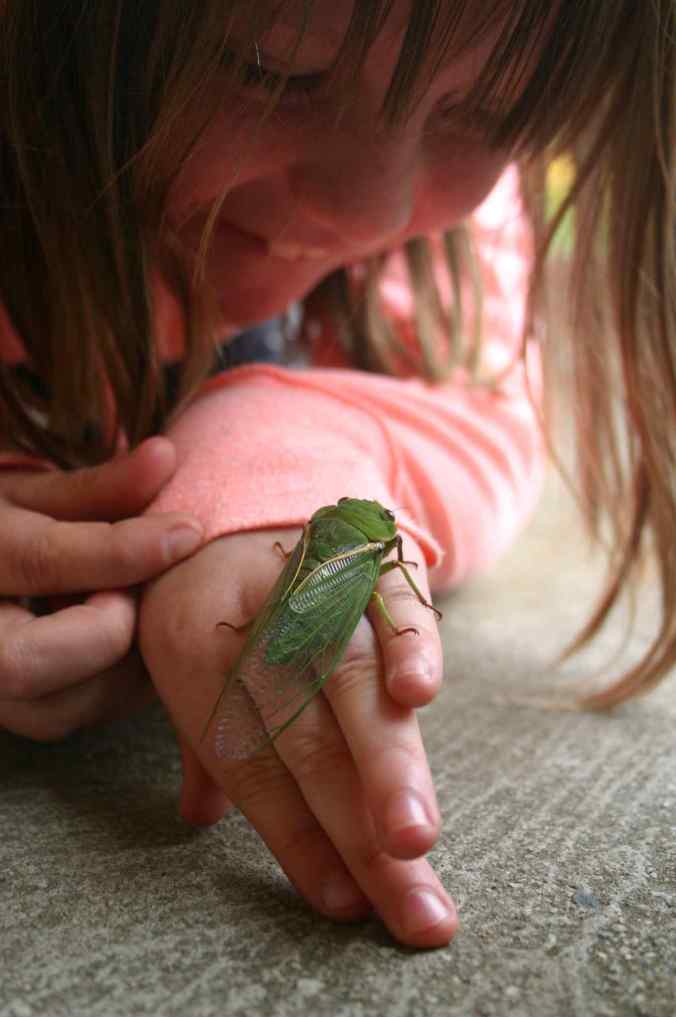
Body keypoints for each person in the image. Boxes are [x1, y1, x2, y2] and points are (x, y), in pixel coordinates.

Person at [0, 1, 673, 950]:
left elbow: (491, 402)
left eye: (489, 110)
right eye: (270, 67)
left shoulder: (460, 252)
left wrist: (278, 459)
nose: (374, 211)